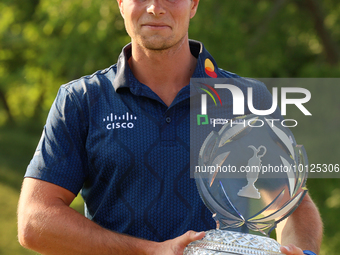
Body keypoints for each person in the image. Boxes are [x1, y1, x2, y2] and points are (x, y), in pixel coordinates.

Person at [17, 0, 323, 254]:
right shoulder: (81, 100)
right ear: (121, 4)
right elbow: (34, 221)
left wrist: (302, 251)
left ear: (193, 5)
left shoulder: (248, 99)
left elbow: (293, 205)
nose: (155, 8)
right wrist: (150, 251)